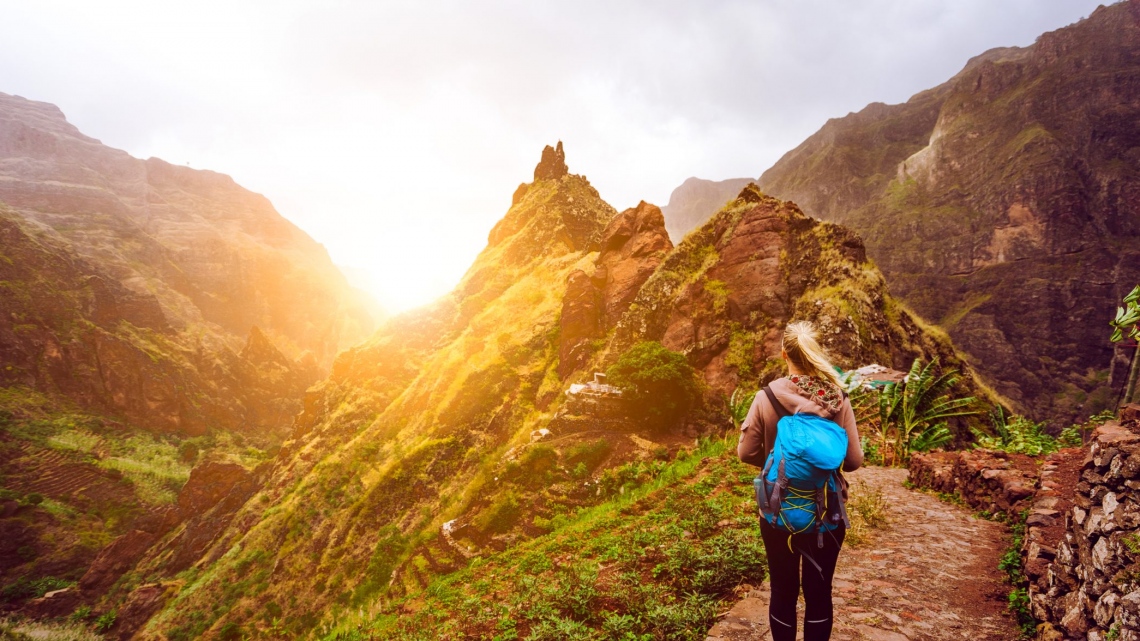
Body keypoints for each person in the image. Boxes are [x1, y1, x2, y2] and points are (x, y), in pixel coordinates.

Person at [737, 321, 863, 641]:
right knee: (819, 593)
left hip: (777, 513)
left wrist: (775, 455)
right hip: (827, 516)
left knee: (782, 589)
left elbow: (746, 452)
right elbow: (853, 462)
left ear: (784, 354)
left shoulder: (766, 397)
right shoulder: (837, 398)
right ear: (818, 354)